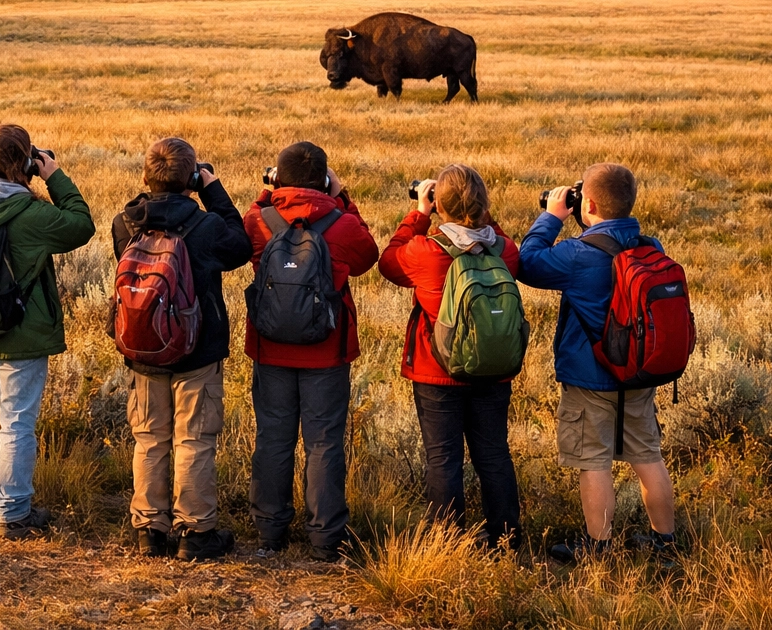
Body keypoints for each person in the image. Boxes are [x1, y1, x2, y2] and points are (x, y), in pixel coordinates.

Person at [519, 163, 678, 561]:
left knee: (593, 462)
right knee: (648, 457)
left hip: (591, 378)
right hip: (640, 374)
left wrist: (552, 216)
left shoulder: (576, 254)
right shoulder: (650, 245)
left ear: (586, 202)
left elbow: (527, 262)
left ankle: (598, 547)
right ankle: (665, 543)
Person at [0, 124, 95, 539]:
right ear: (23, 163)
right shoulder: (31, 215)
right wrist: (55, 176)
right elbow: (81, 225)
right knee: (16, 423)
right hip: (22, 334)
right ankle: (12, 511)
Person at [110, 138, 252, 561]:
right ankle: (194, 531)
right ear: (191, 179)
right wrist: (212, 189)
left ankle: (149, 530)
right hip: (197, 348)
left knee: (149, 438)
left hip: (142, 348)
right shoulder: (206, 227)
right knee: (194, 439)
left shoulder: (125, 223)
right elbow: (241, 247)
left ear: (145, 177)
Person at [242, 141, 378, 561]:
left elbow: (243, 236)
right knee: (323, 443)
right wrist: (343, 199)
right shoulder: (341, 223)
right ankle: (325, 539)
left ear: (278, 178)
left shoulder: (259, 218)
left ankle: (270, 532)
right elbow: (368, 255)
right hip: (326, 351)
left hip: (271, 347)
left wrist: (269, 193)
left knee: (273, 438)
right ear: (324, 179)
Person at [378, 164, 523, 548]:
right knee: (494, 454)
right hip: (494, 369)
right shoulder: (504, 250)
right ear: (484, 203)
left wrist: (419, 214)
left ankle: (447, 541)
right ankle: (506, 539)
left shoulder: (426, 251)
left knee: (443, 458)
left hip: (436, 370)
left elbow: (388, 261)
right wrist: (484, 217)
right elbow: (510, 247)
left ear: (439, 204)